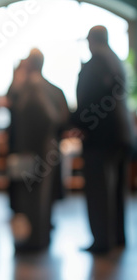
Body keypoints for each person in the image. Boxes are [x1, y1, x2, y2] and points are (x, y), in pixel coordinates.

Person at [71, 25, 133, 253]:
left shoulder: (95, 64)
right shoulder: (116, 61)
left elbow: (89, 101)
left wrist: (72, 123)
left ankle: (102, 242)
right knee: (117, 190)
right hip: (122, 135)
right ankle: (117, 237)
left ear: (91, 40)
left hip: (101, 138)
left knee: (99, 190)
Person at [6, 49, 64, 251]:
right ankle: (39, 239)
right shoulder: (50, 87)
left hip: (31, 151)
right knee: (38, 197)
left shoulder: (32, 86)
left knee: (30, 197)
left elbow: (48, 117)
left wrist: (32, 146)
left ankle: (32, 242)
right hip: (43, 149)